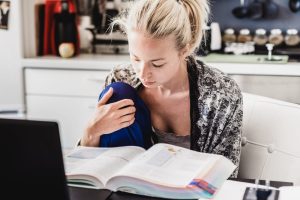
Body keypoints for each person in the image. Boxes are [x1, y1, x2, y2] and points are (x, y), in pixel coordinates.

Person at [80, 0, 243, 177]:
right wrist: (91, 132)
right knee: (119, 91)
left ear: (184, 51)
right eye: (135, 59)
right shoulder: (121, 80)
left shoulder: (221, 95)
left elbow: (226, 178)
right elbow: (90, 171)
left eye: (157, 64)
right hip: (128, 193)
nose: (143, 74)